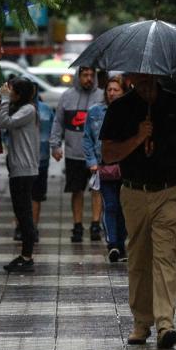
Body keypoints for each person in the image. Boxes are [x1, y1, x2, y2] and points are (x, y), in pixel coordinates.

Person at [100, 73, 176, 350]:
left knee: (165, 256)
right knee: (139, 257)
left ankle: (165, 324)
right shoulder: (120, 108)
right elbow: (108, 154)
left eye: (149, 78)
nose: (145, 82)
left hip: (170, 191)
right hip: (134, 192)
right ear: (131, 78)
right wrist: (138, 137)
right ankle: (141, 322)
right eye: (139, 78)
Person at [49, 66, 105, 243]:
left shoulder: (102, 96)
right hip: (74, 153)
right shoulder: (67, 96)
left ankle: (95, 224)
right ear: (78, 76)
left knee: (97, 189)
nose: (89, 78)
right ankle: (78, 225)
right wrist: (55, 145)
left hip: (96, 154)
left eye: (91, 75)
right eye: (85, 75)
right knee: (76, 190)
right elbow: (58, 122)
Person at [0, 78, 40, 273]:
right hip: (18, 169)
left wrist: (4, 99)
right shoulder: (21, 109)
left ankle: (27, 257)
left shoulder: (28, 110)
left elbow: (6, 122)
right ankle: (25, 255)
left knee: (24, 214)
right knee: (21, 213)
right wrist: (0, 102)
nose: (8, 91)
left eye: (10, 89)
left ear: (20, 94)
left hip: (24, 170)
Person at [83, 74, 130, 261]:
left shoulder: (130, 112)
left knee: (124, 208)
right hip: (104, 166)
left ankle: (121, 244)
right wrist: (92, 162)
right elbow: (87, 138)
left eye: (116, 90)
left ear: (123, 92)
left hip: (126, 167)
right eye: (109, 90)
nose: (111, 93)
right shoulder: (95, 111)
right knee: (110, 205)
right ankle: (112, 244)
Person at [31, 91, 54, 243]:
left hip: (36, 159)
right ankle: (31, 227)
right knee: (33, 196)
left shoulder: (44, 110)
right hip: (39, 158)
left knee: (27, 195)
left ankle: (27, 227)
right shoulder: (45, 109)